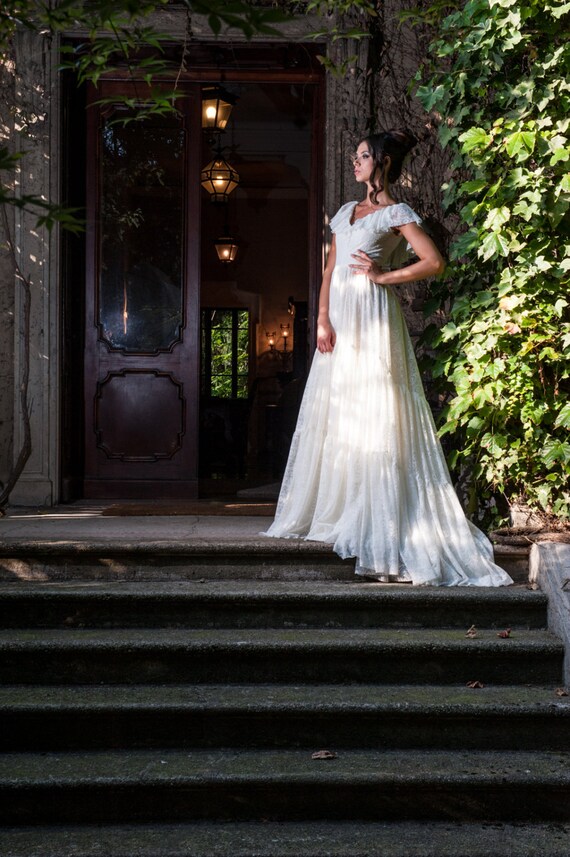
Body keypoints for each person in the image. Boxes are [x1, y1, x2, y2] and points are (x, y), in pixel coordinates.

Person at [264, 130, 513, 587]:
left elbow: (433, 261)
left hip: (373, 320)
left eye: (362, 156)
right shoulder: (344, 212)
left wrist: (384, 276)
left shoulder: (396, 212)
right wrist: (320, 319)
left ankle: (378, 515)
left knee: (376, 410)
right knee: (338, 408)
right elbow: (329, 268)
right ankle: (337, 506)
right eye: (355, 155)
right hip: (339, 319)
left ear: (381, 163)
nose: (355, 162)